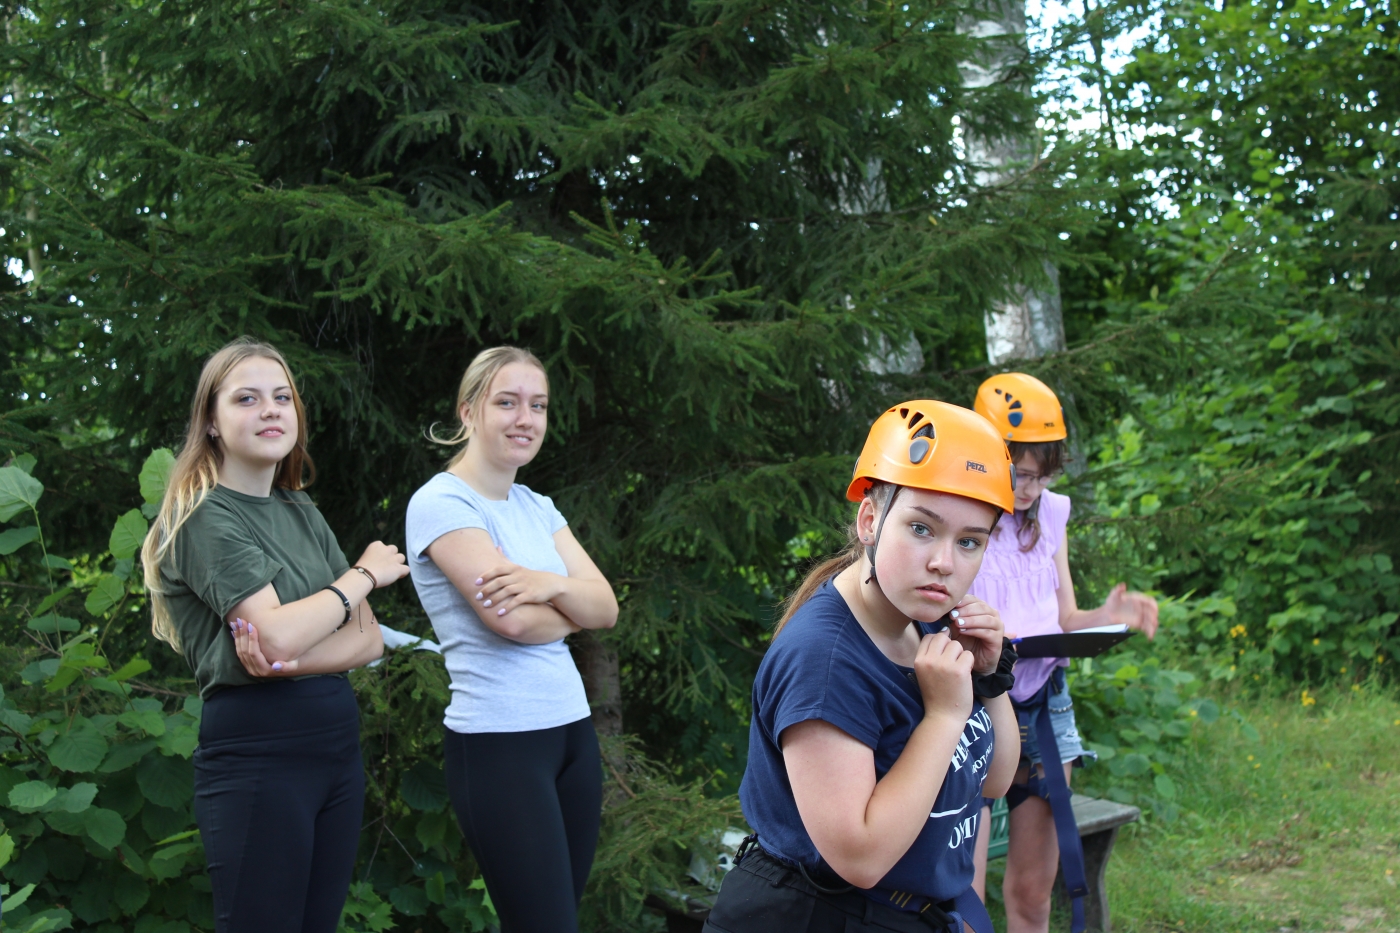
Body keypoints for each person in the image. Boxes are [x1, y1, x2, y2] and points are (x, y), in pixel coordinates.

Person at [704, 400, 1023, 933]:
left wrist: (988, 681)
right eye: (921, 528)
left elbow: (992, 781)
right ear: (870, 520)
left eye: (969, 541)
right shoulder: (823, 661)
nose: (944, 562)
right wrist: (944, 717)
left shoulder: (925, 621)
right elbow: (861, 856)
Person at [140, 338, 410, 933]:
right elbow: (280, 634)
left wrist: (289, 658)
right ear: (211, 422)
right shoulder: (203, 514)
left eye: (282, 397)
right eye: (247, 398)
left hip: (335, 744)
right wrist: (363, 575)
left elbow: (366, 640)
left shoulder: (300, 510)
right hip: (260, 749)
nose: (270, 409)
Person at [404, 346, 619, 933]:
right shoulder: (442, 502)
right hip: (500, 745)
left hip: (571, 733)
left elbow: (606, 607)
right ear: (468, 411)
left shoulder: (535, 506)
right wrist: (570, 607)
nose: (525, 419)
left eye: (538, 405)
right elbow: (514, 622)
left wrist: (547, 584)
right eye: (507, 402)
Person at [967, 372, 1159, 933]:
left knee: (1034, 892)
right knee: (963, 896)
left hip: (1045, 708)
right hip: (975, 707)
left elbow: (1067, 618)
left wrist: (1109, 615)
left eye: (1044, 475)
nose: (1032, 489)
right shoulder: (963, 517)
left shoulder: (1050, 514)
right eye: (1022, 473)